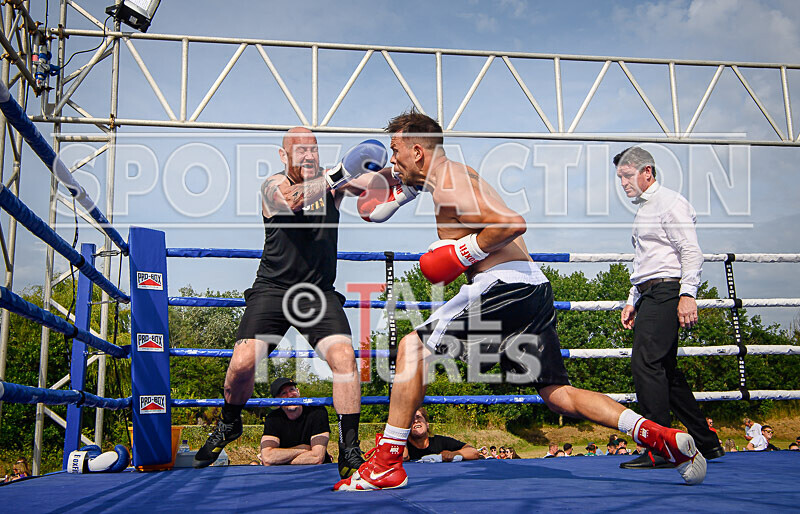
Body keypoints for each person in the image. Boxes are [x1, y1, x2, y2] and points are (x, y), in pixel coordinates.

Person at [333, 111, 706, 491]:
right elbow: (373, 208)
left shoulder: (448, 183)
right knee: (559, 396)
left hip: (504, 284)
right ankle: (658, 435)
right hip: (533, 287)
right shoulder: (448, 177)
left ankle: (386, 461)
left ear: (417, 150)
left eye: (395, 151)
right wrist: (392, 189)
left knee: (412, 347)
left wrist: (461, 253)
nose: (391, 160)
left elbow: (512, 222)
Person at [194, 128, 401, 479]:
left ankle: (349, 447)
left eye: (314, 149)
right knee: (243, 362)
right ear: (283, 154)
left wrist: (402, 174)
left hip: (318, 292)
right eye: (300, 149)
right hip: (273, 288)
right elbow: (290, 201)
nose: (308, 155)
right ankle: (230, 423)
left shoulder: (334, 185)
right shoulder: (272, 185)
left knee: (345, 359)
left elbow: (371, 184)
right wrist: (340, 173)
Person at [615, 146, 724, 470]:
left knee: (645, 364)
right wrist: (633, 300)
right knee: (665, 370)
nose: (622, 183)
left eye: (626, 175)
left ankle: (661, 447)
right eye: (619, 177)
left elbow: (691, 251)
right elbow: (647, 261)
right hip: (651, 293)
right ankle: (707, 442)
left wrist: (688, 294)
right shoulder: (645, 210)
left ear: (647, 171)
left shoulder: (670, 203)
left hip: (667, 291)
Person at [259, 378, 333, 466]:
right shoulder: (273, 418)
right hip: (284, 475)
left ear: (298, 392)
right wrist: (304, 448)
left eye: (292, 390)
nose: (290, 395)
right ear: (277, 400)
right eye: (284, 393)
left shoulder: (317, 412)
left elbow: (317, 458)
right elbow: (268, 458)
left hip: (317, 472)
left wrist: (280, 460)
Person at [405, 407, 479, 462]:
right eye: (411, 419)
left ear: (427, 424)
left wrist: (453, 454)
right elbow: (404, 457)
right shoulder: (403, 445)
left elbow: (473, 452)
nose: (416, 421)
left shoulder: (440, 442)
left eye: (418, 417)